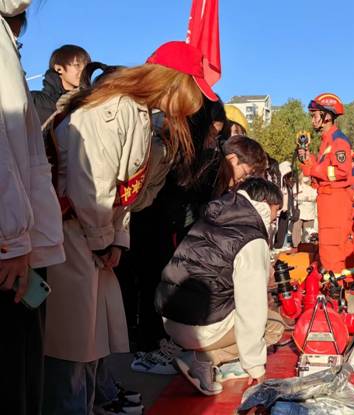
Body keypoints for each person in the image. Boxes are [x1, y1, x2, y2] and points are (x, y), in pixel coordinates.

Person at [42, 41, 215, 415]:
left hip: (88, 234)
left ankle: (86, 404)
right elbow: (91, 182)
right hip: (72, 231)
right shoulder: (114, 107)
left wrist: (116, 240)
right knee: (72, 344)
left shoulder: (136, 111)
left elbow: (124, 192)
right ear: (172, 81)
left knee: (90, 339)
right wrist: (104, 240)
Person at [130, 133, 267, 374]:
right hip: (166, 231)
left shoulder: (209, 168)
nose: (242, 181)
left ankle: (161, 345)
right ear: (233, 159)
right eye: (245, 173)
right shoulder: (211, 175)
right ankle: (161, 347)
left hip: (168, 237)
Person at [154, 177, 285, 395]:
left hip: (170, 320)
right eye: (276, 210)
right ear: (264, 203)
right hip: (200, 328)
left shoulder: (212, 217)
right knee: (274, 325)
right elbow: (251, 306)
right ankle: (202, 359)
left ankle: (197, 358)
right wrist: (255, 366)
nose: (276, 217)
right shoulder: (251, 237)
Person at [1, 3, 65, 414]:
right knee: (15, 373)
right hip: (11, 244)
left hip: (18, 236)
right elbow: (4, 141)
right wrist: (12, 238)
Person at [299, 93, 354, 273]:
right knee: (331, 247)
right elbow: (319, 172)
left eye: (315, 115)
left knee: (332, 248)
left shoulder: (338, 141)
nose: (312, 120)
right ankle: (341, 281)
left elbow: (341, 171)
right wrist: (307, 159)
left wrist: (314, 169)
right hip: (328, 199)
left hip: (335, 201)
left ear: (327, 116)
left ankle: (335, 284)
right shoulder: (327, 141)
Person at [31, 44, 91, 125]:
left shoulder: (88, 103)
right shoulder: (33, 100)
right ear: (59, 69)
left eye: (86, 66)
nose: (83, 70)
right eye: (77, 65)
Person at [291, 172, 317, 247]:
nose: (306, 178)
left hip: (310, 212)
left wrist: (305, 197)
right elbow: (296, 197)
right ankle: (296, 245)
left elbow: (314, 197)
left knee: (308, 231)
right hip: (299, 212)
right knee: (296, 230)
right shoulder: (297, 185)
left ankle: (307, 245)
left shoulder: (313, 186)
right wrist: (307, 198)